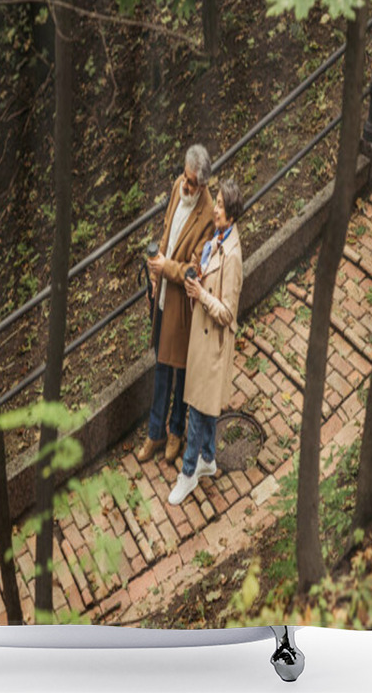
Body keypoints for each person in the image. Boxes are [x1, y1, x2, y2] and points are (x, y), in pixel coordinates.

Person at [137, 145, 215, 464]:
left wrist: (164, 268)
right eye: (184, 178)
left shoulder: (208, 215)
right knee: (160, 369)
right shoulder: (176, 188)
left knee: (179, 372)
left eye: (192, 183)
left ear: (203, 185)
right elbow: (168, 230)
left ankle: (175, 431)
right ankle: (155, 433)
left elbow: (193, 269)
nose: (185, 185)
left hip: (182, 305)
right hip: (164, 296)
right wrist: (156, 275)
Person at [169, 179, 244, 505]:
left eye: (221, 208)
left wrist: (202, 295)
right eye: (217, 205)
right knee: (205, 405)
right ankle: (209, 459)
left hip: (213, 344)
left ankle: (188, 474)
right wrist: (197, 283)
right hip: (203, 338)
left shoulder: (234, 256)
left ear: (231, 215)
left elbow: (228, 313)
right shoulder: (217, 241)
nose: (215, 209)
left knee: (198, 411)